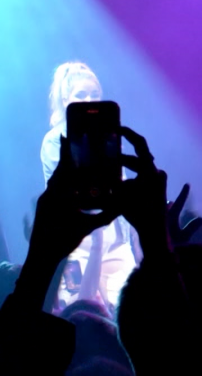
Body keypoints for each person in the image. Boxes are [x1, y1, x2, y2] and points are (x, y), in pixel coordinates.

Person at [40, 62, 138, 309]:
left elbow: (121, 188)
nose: (89, 100)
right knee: (86, 313)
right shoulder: (54, 141)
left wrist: (135, 240)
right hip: (80, 244)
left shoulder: (110, 135)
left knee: (126, 313)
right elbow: (70, 190)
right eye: (81, 94)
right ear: (66, 100)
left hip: (115, 244)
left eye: (94, 94)